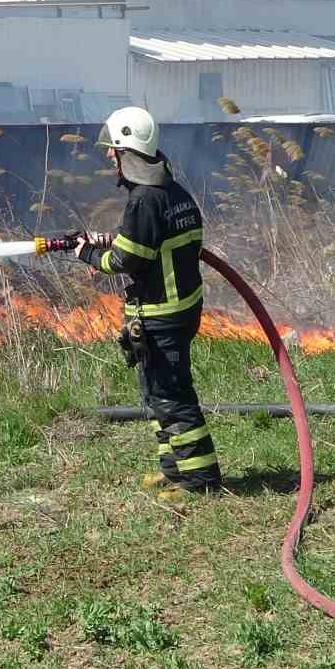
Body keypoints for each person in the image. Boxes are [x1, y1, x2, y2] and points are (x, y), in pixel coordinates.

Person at [71, 106, 219, 500]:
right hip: (179, 310)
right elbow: (148, 243)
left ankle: (199, 480)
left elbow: (126, 261)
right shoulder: (173, 192)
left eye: (114, 149)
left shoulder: (145, 201)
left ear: (128, 151)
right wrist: (113, 238)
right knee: (157, 396)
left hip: (161, 316)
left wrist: (87, 254)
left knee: (172, 398)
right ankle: (174, 471)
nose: (109, 156)